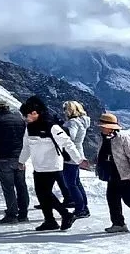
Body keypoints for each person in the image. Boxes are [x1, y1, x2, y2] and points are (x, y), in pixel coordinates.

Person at [19, 95, 87, 232]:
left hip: (52, 164)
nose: (25, 118)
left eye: (26, 115)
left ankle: (65, 215)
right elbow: (26, 146)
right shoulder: (30, 128)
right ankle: (49, 220)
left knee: (45, 193)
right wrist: (21, 161)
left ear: (34, 113)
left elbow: (67, 143)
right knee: (41, 193)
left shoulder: (51, 125)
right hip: (38, 165)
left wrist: (78, 159)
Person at [0, 98, 29, 224]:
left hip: (3, 158)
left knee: (8, 187)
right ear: (8, 107)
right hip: (20, 157)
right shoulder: (19, 120)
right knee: (21, 185)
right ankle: (23, 213)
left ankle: (11, 214)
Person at [96, 112, 130, 233]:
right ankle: (118, 223)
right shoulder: (103, 138)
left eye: (103, 126)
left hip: (125, 175)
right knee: (112, 199)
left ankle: (119, 223)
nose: (101, 128)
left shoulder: (123, 138)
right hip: (112, 175)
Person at [62, 101, 91, 219]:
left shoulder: (72, 122)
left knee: (71, 184)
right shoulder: (82, 121)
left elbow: (70, 137)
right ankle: (84, 207)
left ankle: (80, 208)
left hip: (71, 156)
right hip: (78, 153)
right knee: (76, 182)